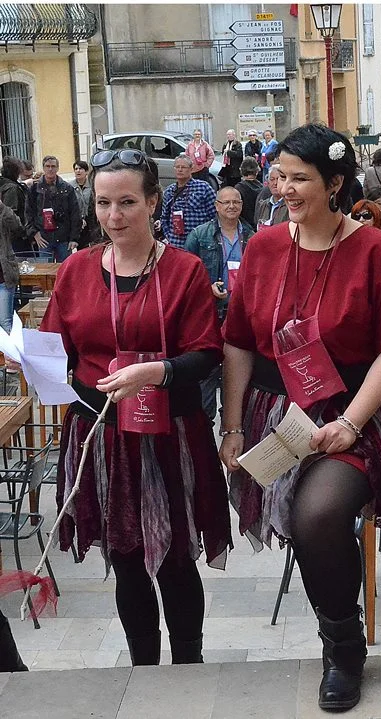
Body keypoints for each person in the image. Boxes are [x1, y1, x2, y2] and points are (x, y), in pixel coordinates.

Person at [220, 124, 381, 712]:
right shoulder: (263, 248)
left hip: (350, 414)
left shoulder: (377, 250)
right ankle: (338, 629)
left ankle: (342, 648)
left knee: (318, 514)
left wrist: (352, 424)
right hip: (274, 417)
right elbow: (237, 341)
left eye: (300, 178)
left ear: (335, 183)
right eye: (280, 176)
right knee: (301, 518)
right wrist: (233, 426)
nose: (285, 188)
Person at [36, 147, 232, 666]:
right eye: (103, 203)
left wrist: (156, 371)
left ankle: (188, 665)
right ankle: (143, 669)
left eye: (126, 202)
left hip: (168, 429)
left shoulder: (185, 270)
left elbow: (206, 353)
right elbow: (57, 348)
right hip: (101, 433)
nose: (114, 216)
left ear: (152, 203)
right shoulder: (76, 270)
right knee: (125, 558)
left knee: (173, 558)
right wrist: (27, 359)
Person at [184, 185, 253, 420]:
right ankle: (204, 425)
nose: (232, 206)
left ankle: (232, 424)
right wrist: (208, 288)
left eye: (236, 202)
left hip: (241, 314)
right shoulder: (199, 235)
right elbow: (187, 276)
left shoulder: (252, 237)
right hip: (211, 314)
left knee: (238, 375)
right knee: (207, 374)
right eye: (226, 202)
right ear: (216, 206)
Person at [25, 155, 81, 261]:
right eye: (47, 166)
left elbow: (75, 213)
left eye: (53, 166)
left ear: (57, 168)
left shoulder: (67, 188)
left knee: (64, 269)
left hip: (63, 238)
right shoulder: (34, 189)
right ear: (43, 168)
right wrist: (34, 233)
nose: (50, 169)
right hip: (43, 239)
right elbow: (28, 213)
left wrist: (74, 238)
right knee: (45, 270)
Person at [0, 200, 20, 332]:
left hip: (4, 277)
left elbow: (17, 226)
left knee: (5, 322)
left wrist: (1, 207)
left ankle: (10, 345)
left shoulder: (3, 213)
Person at [73, 160, 98, 248]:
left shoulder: (93, 185)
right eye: (76, 169)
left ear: (86, 171)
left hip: (91, 220)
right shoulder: (70, 186)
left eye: (81, 169)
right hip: (77, 220)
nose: (78, 171)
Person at [255, 165, 288, 230]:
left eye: (278, 179)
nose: (275, 183)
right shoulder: (263, 205)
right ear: (268, 183)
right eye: (272, 179)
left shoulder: (289, 205)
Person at [235, 158, 264, 228]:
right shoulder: (263, 188)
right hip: (258, 224)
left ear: (241, 170)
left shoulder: (239, 188)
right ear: (256, 171)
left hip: (244, 225)